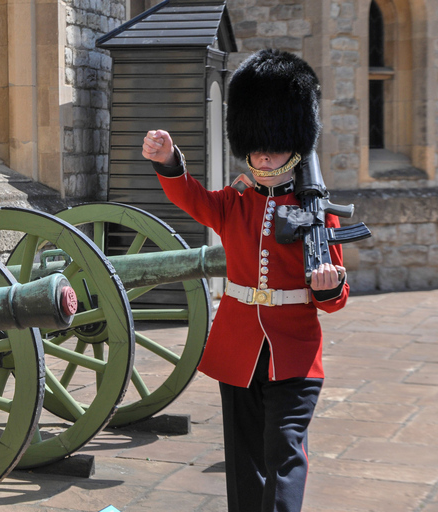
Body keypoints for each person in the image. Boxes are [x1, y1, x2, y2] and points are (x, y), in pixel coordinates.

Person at [141, 49, 349, 512]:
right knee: (244, 460)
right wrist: (169, 158)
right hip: (239, 348)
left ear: (294, 146)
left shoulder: (319, 215)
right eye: (256, 144)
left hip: (294, 350)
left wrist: (329, 285)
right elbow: (189, 196)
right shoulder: (235, 203)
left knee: (284, 453)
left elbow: (336, 300)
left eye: (273, 145)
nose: (262, 153)